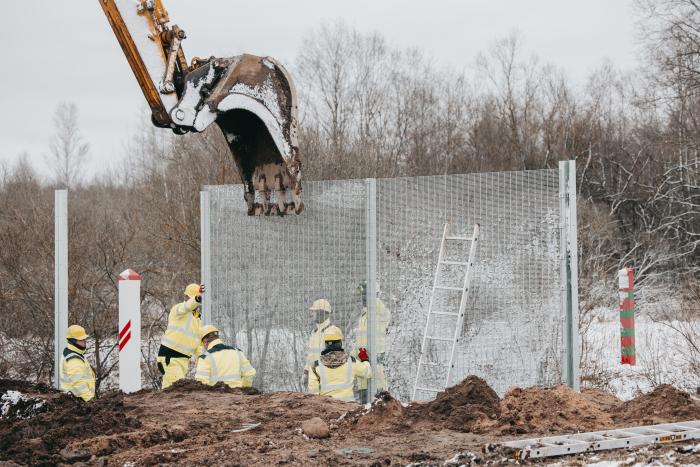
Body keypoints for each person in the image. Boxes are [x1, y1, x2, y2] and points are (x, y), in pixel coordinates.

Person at [157, 283, 204, 389]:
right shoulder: (178, 309)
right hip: (170, 358)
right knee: (175, 390)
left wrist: (203, 360)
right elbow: (187, 306)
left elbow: (198, 345)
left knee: (170, 391)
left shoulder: (198, 320)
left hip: (183, 361)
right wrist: (198, 298)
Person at [308, 325, 371, 402]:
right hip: (349, 409)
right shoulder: (351, 361)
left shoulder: (316, 365)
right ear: (340, 342)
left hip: (328, 409)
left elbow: (313, 393)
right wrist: (364, 359)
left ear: (326, 344)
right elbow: (367, 373)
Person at [354, 281, 391, 403]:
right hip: (363, 366)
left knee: (380, 403)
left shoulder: (380, 314)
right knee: (364, 405)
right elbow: (360, 341)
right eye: (363, 296)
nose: (363, 299)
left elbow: (381, 309)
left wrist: (372, 295)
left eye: (366, 295)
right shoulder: (364, 316)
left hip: (375, 366)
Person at [60, 324, 96, 401]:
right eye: (81, 339)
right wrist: (90, 399)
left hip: (78, 400)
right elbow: (78, 383)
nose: (84, 341)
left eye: (84, 339)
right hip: (78, 402)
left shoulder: (75, 354)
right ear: (73, 341)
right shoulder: (74, 359)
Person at [303, 298, 332, 386]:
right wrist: (306, 372)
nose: (312, 314)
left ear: (321, 313)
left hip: (324, 379)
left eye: (314, 312)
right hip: (314, 379)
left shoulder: (331, 332)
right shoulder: (315, 332)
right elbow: (311, 355)